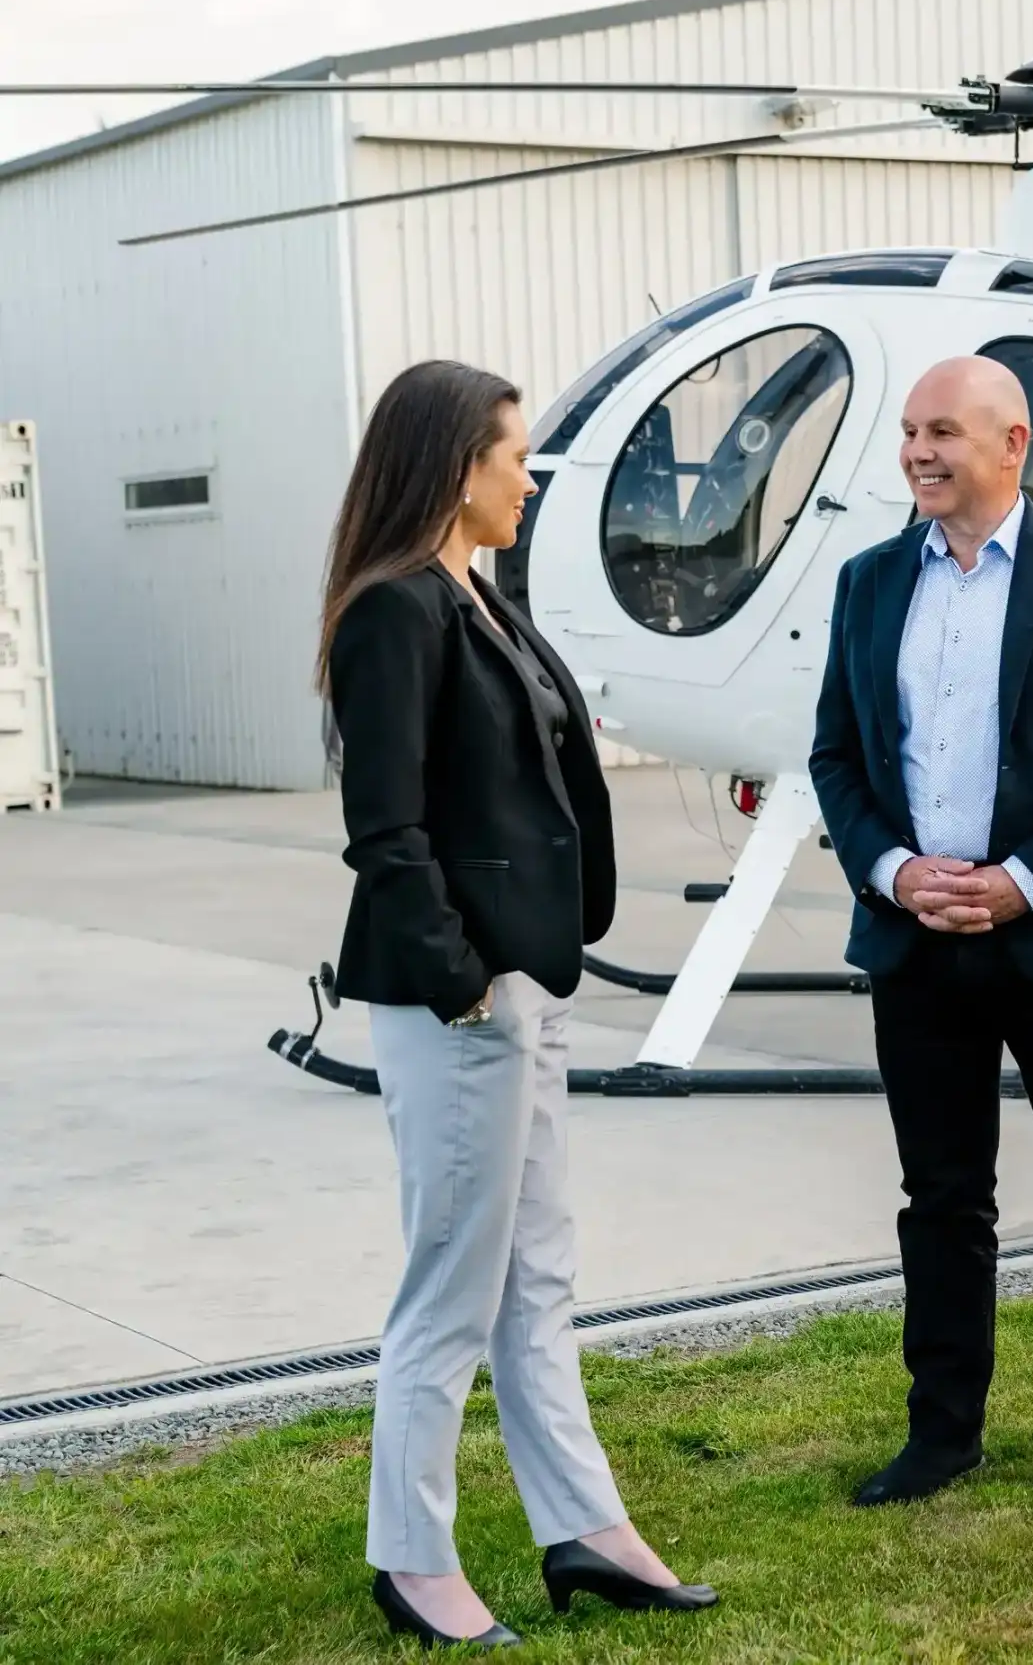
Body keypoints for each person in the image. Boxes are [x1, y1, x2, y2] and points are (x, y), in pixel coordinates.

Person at [319, 359, 718, 1649]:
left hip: (526, 987)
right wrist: (461, 979)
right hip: (463, 1003)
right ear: (454, 467)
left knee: (536, 1274)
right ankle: (410, 1558)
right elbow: (384, 830)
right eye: (514, 453)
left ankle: (586, 1531)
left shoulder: (476, 597)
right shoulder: (395, 611)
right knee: (452, 1284)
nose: (530, 475)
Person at [809, 354, 1033, 1519]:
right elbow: (837, 756)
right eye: (911, 430)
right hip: (918, 947)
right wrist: (892, 868)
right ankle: (943, 1434)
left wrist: (1021, 881)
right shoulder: (868, 583)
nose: (918, 449)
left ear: (1016, 445)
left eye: (944, 432)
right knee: (942, 1202)